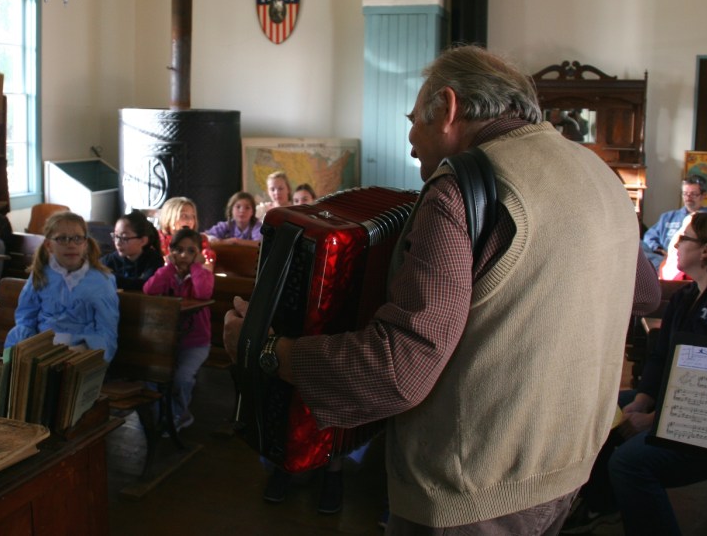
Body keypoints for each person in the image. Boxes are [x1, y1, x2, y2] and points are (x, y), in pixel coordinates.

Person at [223, 45, 661, 534]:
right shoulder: (597, 172)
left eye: (414, 119)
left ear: (449, 108)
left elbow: (398, 370)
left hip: (473, 489)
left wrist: (264, 350)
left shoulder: (464, 187)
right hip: (570, 463)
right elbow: (643, 295)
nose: (411, 139)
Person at [562, 212, 707, 535]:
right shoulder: (686, 296)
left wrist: (655, 420)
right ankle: (603, 504)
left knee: (630, 463)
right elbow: (660, 358)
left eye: (684, 238)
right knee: (603, 412)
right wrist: (642, 401)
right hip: (679, 406)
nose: (675, 244)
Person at [4, 211, 119, 362]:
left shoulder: (102, 281)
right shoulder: (40, 275)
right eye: (62, 239)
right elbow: (26, 319)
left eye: (77, 238)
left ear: (85, 244)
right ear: (48, 245)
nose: (71, 245)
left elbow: (106, 331)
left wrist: (83, 351)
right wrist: (31, 347)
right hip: (41, 351)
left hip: (81, 355)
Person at [143, 228, 214, 431]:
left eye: (191, 251)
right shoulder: (168, 274)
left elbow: (203, 293)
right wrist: (168, 268)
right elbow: (149, 289)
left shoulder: (204, 274)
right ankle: (161, 417)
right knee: (151, 378)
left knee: (181, 379)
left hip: (196, 342)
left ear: (198, 254)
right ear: (171, 251)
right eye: (179, 250)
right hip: (167, 340)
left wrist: (198, 268)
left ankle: (180, 414)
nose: (184, 256)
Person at [640, 174, 707, 272]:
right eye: (685, 193)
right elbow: (649, 237)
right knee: (638, 244)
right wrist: (658, 249)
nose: (688, 197)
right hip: (663, 258)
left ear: (703, 195)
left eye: (693, 194)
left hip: (691, 262)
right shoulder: (668, 217)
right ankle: (664, 268)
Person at [100, 209, 163, 291]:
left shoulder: (154, 260)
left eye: (124, 237)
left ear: (143, 241)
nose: (118, 243)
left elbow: (144, 285)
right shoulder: (110, 259)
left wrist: (110, 277)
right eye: (116, 236)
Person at [156, 196, 216, 269]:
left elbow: (207, 269)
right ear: (169, 217)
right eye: (184, 216)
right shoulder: (156, 238)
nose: (190, 221)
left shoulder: (201, 240)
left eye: (192, 216)